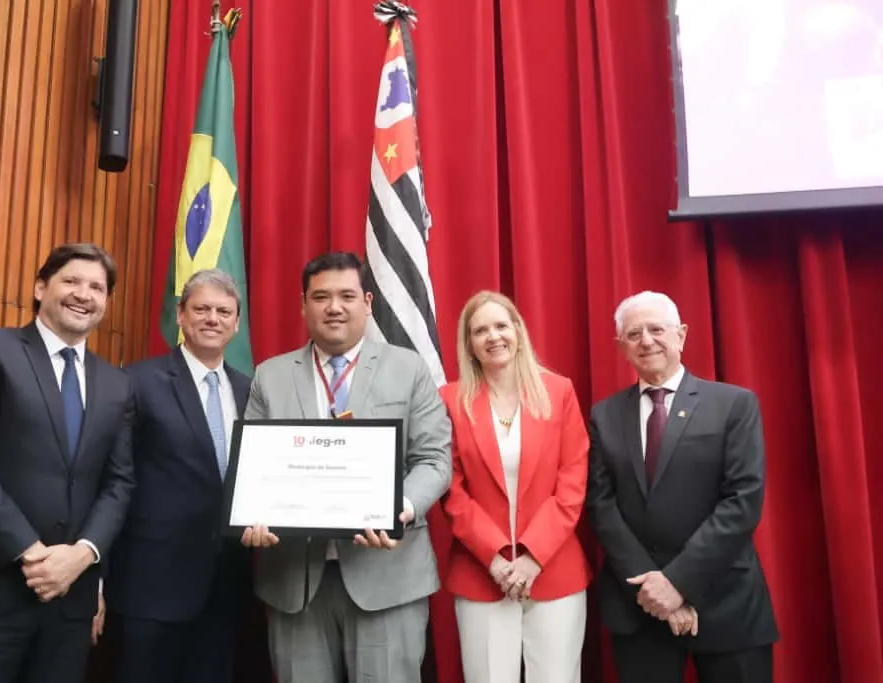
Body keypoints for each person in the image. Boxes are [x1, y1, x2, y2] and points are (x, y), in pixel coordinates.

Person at [0, 243, 135, 683]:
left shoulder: (116, 384)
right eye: (71, 281)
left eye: (97, 287)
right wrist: (35, 556)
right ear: (41, 287)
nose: (84, 294)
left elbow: (119, 483)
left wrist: (82, 557)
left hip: (70, 602)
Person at [240, 251, 452, 683]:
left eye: (346, 296)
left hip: (388, 578)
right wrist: (252, 514)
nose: (333, 307)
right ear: (303, 305)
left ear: (367, 302)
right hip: (294, 582)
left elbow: (434, 459)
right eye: (320, 297)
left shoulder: (409, 369)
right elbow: (254, 468)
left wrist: (400, 508)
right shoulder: (270, 376)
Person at [586, 291, 778, 683]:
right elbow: (601, 505)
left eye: (657, 329)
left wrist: (679, 583)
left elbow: (742, 502)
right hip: (639, 607)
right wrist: (656, 591)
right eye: (634, 333)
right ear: (621, 346)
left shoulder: (734, 405)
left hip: (726, 601)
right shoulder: (604, 415)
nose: (647, 340)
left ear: (681, 335)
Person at [102, 269, 252, 683]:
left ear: (237, 323)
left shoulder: (250, 389)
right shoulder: (136, 381)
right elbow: (114, 479)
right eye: (201, 309)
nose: (212, 319)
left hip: (227, 582)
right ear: (181, 316)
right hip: (151, 582)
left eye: (224, 311)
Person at [440, 291, 591, 683]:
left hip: (555, 571)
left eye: (501, 325)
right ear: (469, 343)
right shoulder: (451, 400)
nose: (493, 336)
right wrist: (496, 559)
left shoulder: (558, 392)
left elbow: (572, 484)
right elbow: (451, 491)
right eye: (480, 330)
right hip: (481, 573)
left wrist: (532, 557)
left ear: (518, 332)